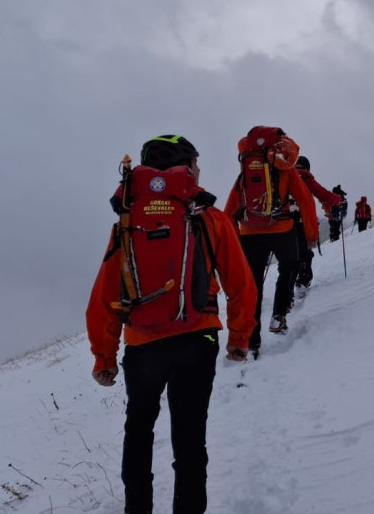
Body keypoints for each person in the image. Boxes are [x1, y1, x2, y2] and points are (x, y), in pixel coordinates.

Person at [86, 134, 256, 514]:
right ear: (188, 167)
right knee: (190, 436)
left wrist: (104, 357)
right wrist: (240, 336)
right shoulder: (208, 217)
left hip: (142, 344)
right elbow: (240, 282)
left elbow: (104, 294)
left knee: (139, 428)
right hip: (199, 337)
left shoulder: (127, 223)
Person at [223, 126, 320, 348]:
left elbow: (229, 210)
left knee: (253, 284)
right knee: (289, 267)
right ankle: (278, 316)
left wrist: (234, 240)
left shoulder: (246, 170)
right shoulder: (286, 169)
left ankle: (252, 339)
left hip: (249, 234)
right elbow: (306, 201)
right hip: (282, 231)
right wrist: (311, 235)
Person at [291, 155, 342, 290]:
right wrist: (338, 199)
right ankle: (302, 282)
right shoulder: (306, 178)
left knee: (288, 255)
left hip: (283, 223)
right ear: (307, 167)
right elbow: (324, 195)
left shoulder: (284, 176)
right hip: (302, 222)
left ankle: (287, 286)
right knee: (304, 253)